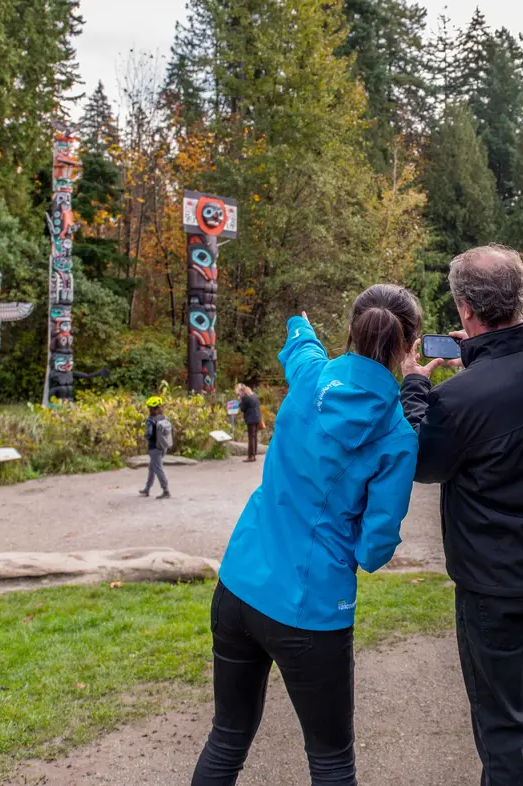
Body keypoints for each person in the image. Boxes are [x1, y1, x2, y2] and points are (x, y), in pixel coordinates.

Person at [192, 285, 422, 786]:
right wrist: (350, 551)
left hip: (238, 586)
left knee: (227, 737)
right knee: (331, 759)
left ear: (352, 330)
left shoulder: (310, 379)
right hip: (311, 609)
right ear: (410, 347)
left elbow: (302, 346)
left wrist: (299, 322)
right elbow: (376, 545)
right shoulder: (398, 435)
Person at [400, 245, 523, 786]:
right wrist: (482, 355)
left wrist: (417, 384)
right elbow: (522, 385)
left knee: (504, 725)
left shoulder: (457, 400)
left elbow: (424, 461)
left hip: (495, 584)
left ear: (464, 309)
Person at [139, 396, 172, 499]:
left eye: (149, 407)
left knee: (158, 468)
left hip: (154, 448)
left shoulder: (150, 420)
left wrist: (145, 436)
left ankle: (166, 490)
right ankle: (147, 488)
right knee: (152, 468)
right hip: (163, 446)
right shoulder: (165, 417)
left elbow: (148, 434)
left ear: (152, 408)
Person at [236, 384, 262, 462]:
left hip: (251, 419)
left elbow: (242, 409)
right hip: (257, 418)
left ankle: (250, 456)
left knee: (251, 437)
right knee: (255, 437)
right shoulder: (255, 395)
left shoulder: (245, 398)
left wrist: (240, 400)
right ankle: (254, 455)